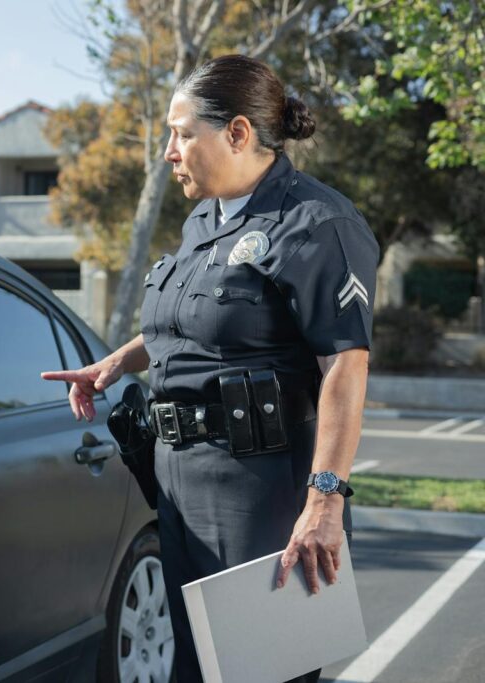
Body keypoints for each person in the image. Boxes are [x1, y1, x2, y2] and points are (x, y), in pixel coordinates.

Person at [42, 54, 378, 683]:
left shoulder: (316, 223)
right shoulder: (205, 219)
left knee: (263, 671)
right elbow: (184, 326)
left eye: (181, 133)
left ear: (238, 133)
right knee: (195, 671)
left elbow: (345, 365)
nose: (169, 151)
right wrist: (112, 365)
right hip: (177, 483)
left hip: (261, 493)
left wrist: (324, 501)